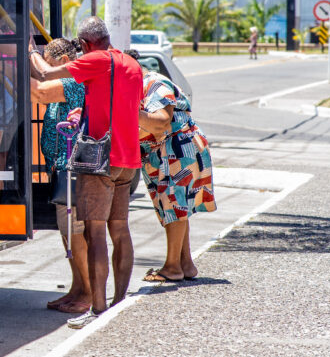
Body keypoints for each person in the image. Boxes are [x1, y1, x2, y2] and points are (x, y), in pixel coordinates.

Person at [30, 17, 143, 329]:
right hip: (128, 160)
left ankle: (97, 308)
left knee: (94, 234)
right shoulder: (130, 64)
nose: (80, 51)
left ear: (87, 44)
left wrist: (27, 50)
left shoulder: (96, 59)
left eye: (81, 46)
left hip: (100, 160)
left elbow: (44, 74)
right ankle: (120, 302)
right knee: (119, 230)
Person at [136, 58, 217, 282]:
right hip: (173, 149)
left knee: (174, 205)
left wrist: (125, 110)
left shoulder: (153, 83)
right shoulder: (145, 84)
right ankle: (185, 264)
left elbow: (161, 121)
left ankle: (172, 267)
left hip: (176, 148)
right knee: (177, 207)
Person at [29, 38, 90, 314]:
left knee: (75, 233)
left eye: (52, 67)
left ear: (64, 62)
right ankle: (77, 289)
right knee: (68, 233)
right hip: (60, 168)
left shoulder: (73, 80)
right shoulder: (67, 79)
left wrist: (24, 57)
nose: (50, 72)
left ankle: (86, 292)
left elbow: (40, 91)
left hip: (72, 170)